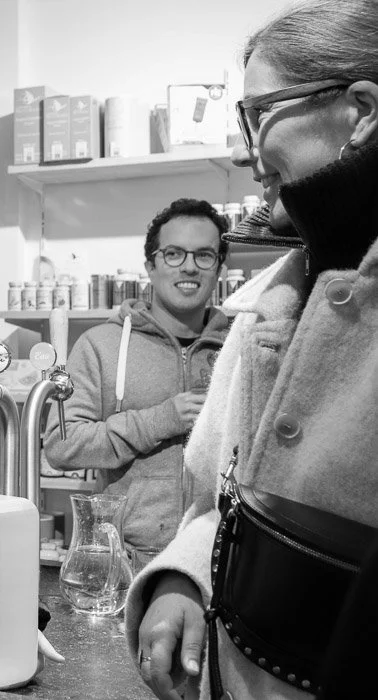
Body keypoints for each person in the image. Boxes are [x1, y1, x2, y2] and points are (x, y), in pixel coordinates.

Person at [127, 2, 378, 698]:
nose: (244, 151)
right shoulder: (267, 303)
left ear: (361, 110)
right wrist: (182, 579)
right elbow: (221, 504)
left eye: (259, 112)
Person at [43, 198, 229, 569]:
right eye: (173, 253)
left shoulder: (238, 347)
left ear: (219, 268)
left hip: (219, 561)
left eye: (204, 255)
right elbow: (62, 446)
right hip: (126, 565)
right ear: (150, 266)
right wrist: (161, 420)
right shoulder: (101, 345)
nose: (189, 266)